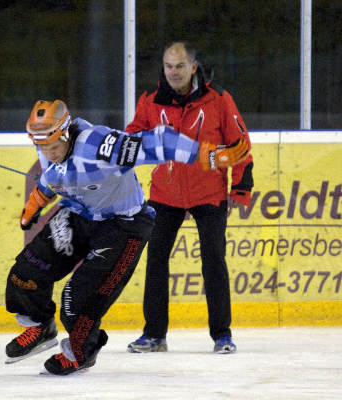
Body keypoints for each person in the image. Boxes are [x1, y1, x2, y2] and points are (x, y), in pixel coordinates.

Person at [4, 99, 249, 375]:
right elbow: (53, 177)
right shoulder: (48, 148)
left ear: (66, 132)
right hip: (80, 213)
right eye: (42, 148)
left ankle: (80, 352)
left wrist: (212, 156)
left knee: (78, 298)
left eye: (53, 148)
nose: (48, 154)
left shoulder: (101, 145)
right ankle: (40, 327)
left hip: (123, 224)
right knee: (26, 272)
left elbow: (160, 142)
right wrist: (35, 204)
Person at [125, 42, 254, 354]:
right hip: (164, 192)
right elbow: (132, 138)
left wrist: (240, 188)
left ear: (193, 67)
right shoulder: (150, 100)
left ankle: (222, 335)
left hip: (208, 192)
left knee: (213, 259)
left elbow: (240, 144)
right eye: (169, 66)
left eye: (180, 66)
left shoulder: (218, 99)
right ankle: (154, 335)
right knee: (155, 258)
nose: (173, 72)